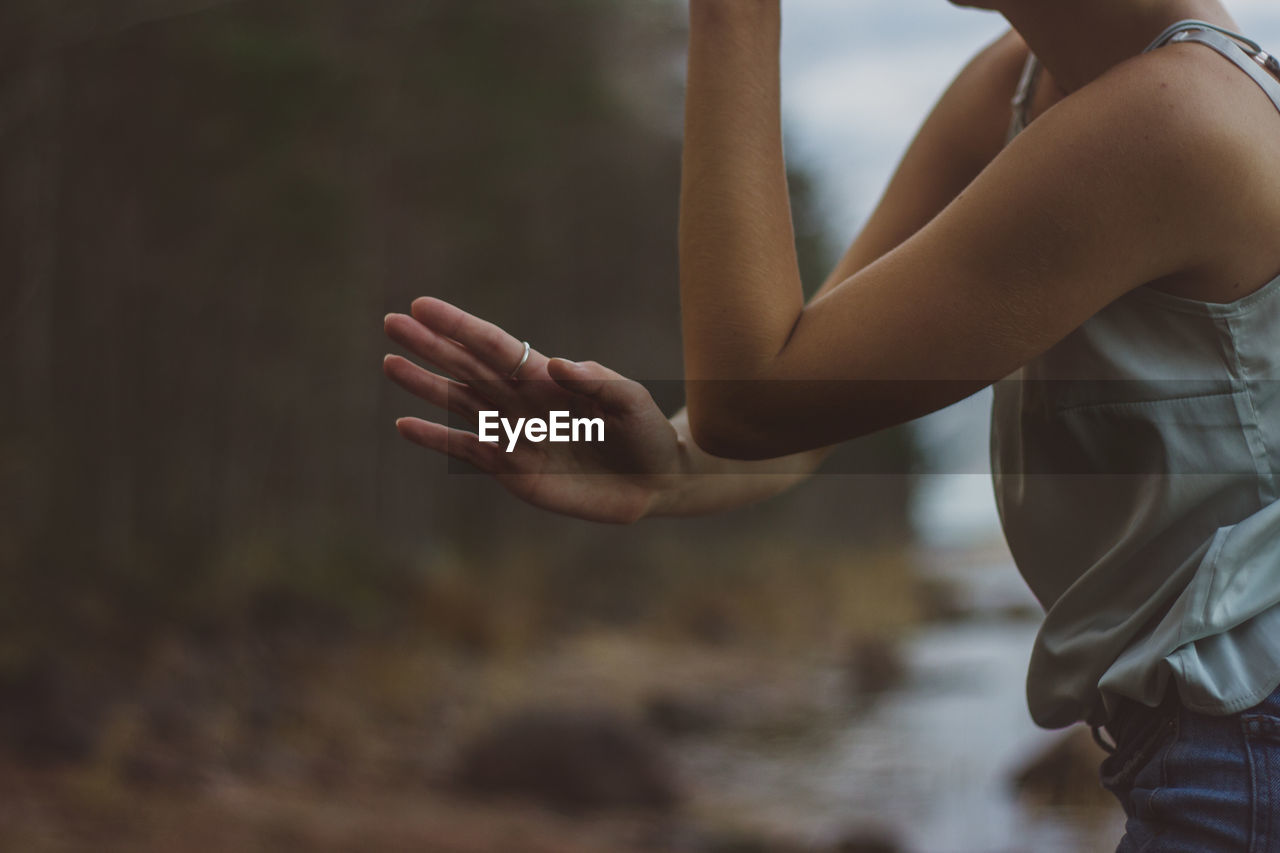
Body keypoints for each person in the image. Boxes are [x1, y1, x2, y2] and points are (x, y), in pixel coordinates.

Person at [383, 1, 1280, 848]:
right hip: (1209, 744)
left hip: (1244, 753)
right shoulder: (1019, 84)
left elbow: (755, 397)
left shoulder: (1179, 118)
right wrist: (671, 464)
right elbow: (797, 407)